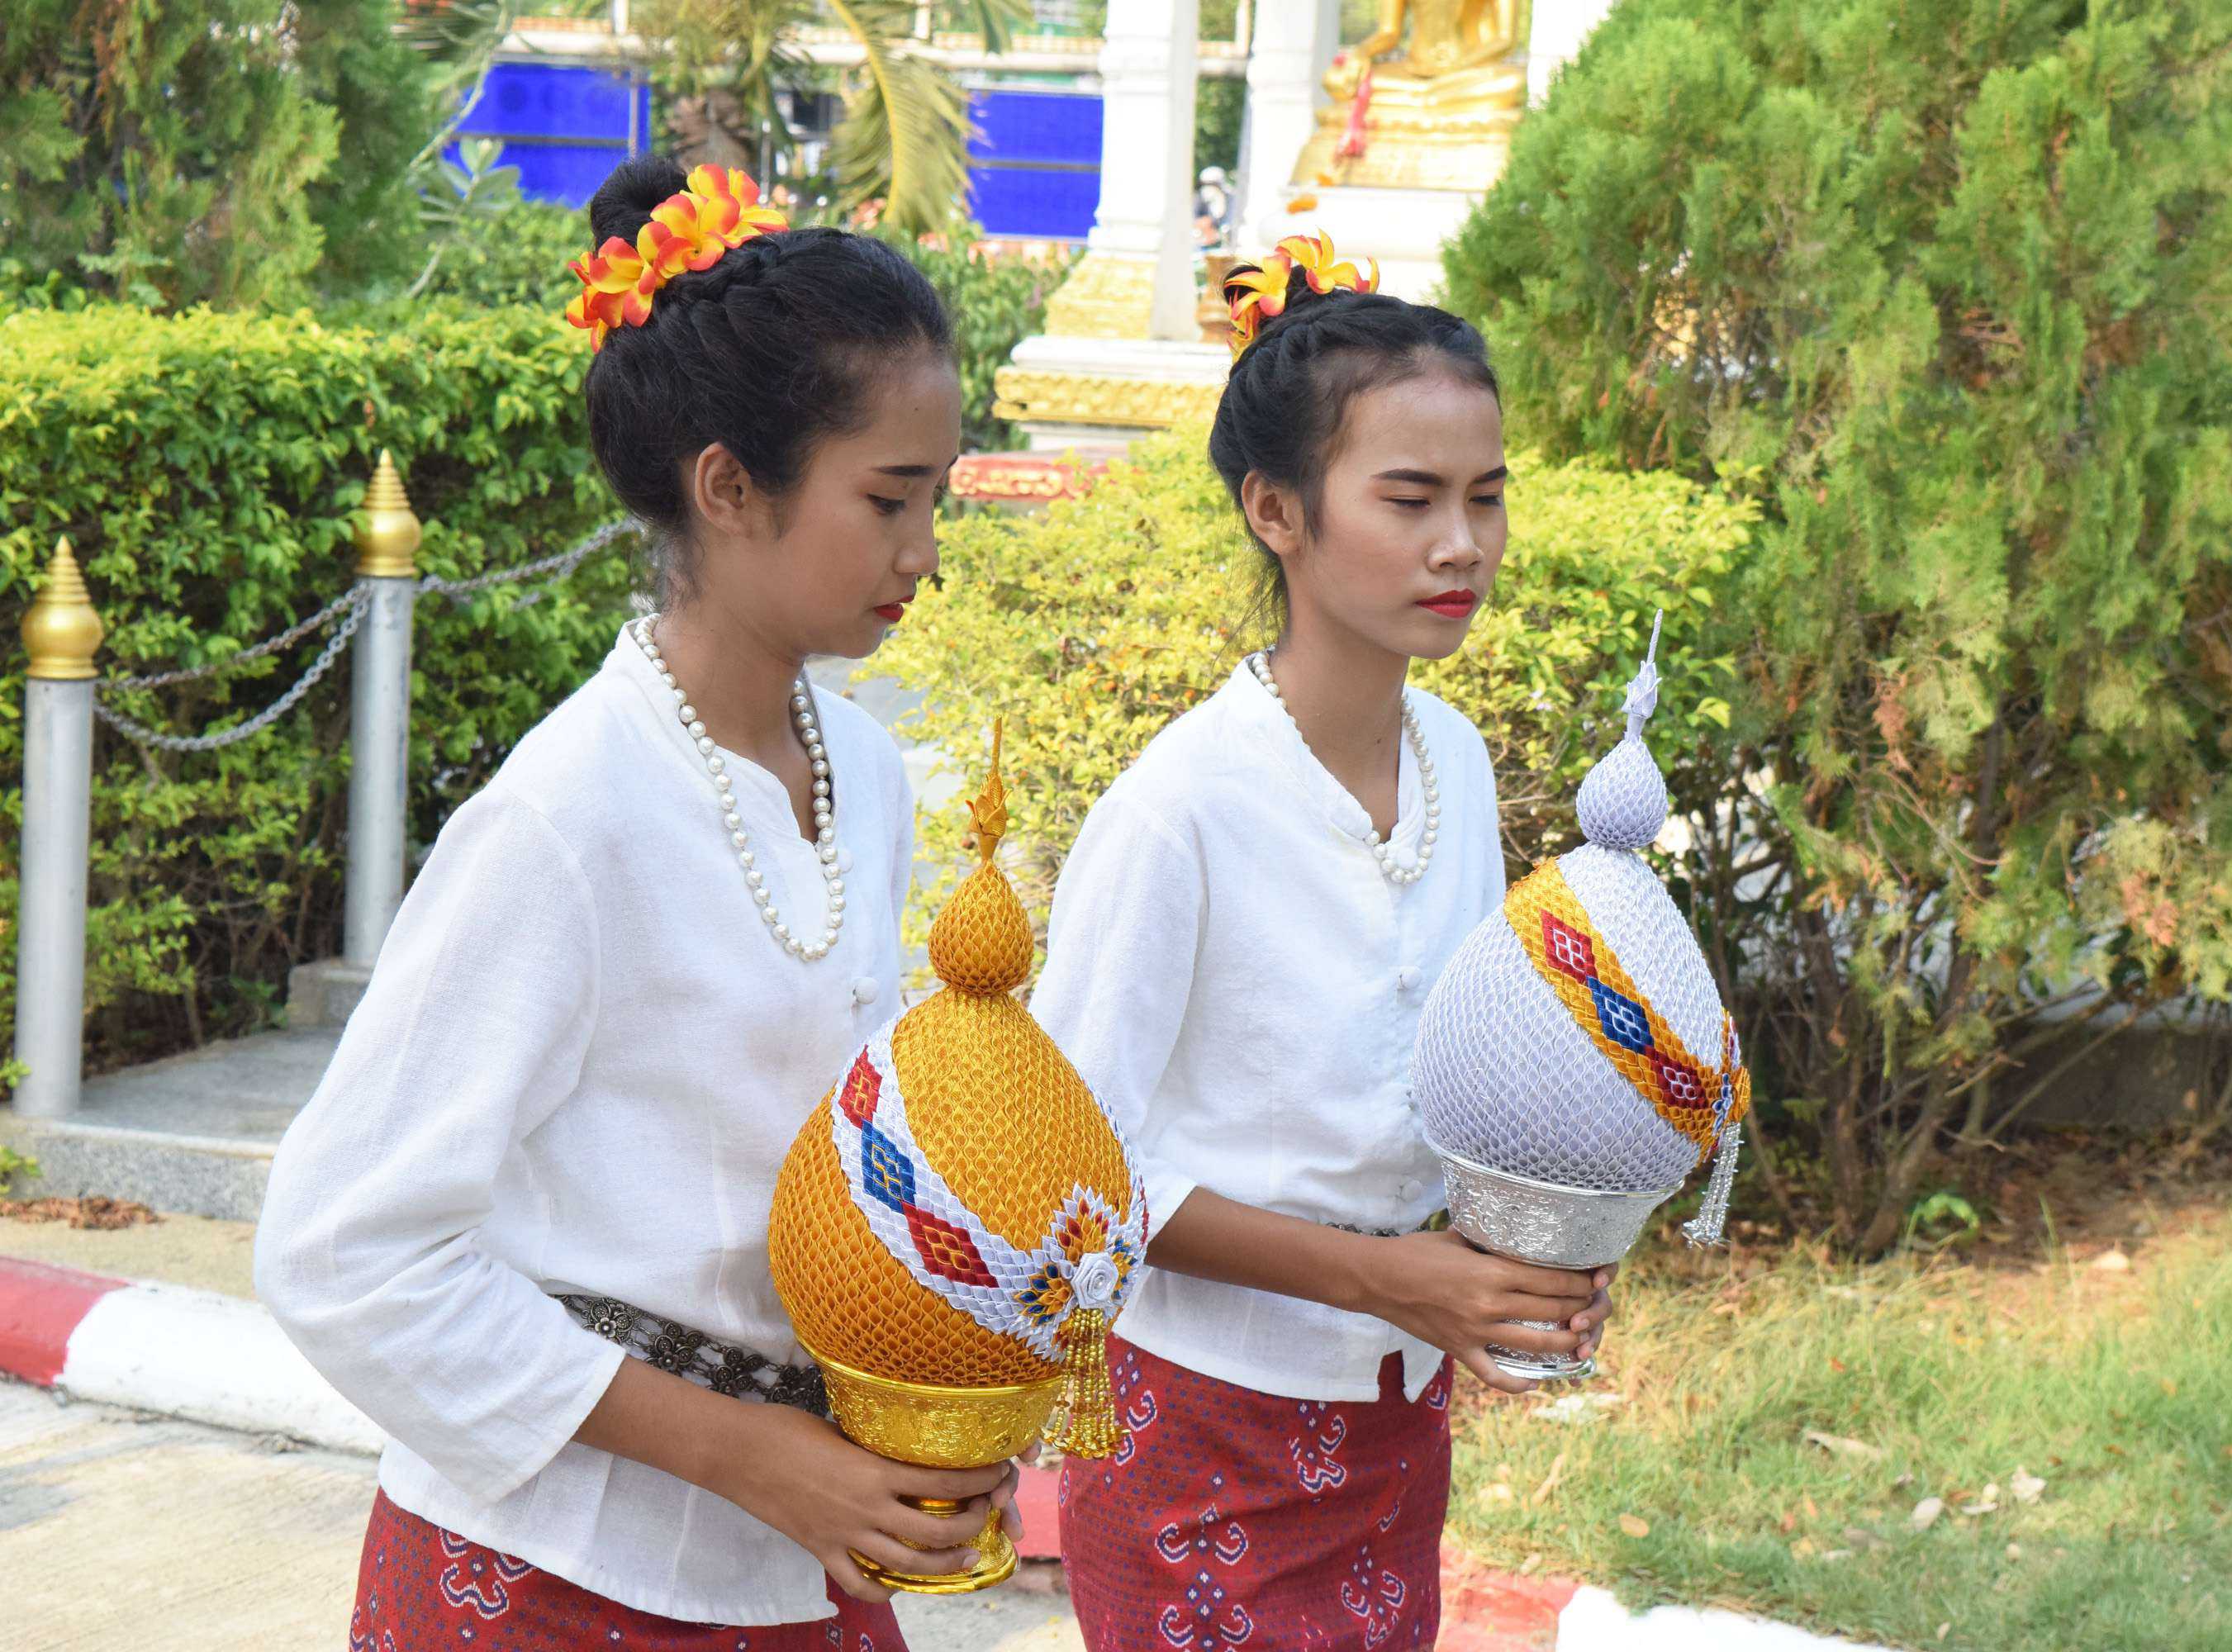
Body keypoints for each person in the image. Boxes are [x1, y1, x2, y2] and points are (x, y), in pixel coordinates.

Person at [254, 154, 1011, 1648]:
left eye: (939, 499)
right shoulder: (564, 818)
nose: (923, 555)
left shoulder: (863, 770)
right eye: (887, 500)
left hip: (807, 1550)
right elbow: (342, 1250)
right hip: (554, 1571)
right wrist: (745, 1452)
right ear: (727, 487)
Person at [1030, 235, 1611, 1650]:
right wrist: (1386, 1274)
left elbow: (1450, 1075)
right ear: (1276, 510)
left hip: (1394, 1419)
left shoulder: (1455, 759)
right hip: (1194, 1437)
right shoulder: (1180, 808)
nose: (1462, 543)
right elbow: (1059, 1177)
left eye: (1486, 497)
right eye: (1410, 498)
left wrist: (1529, 1252)